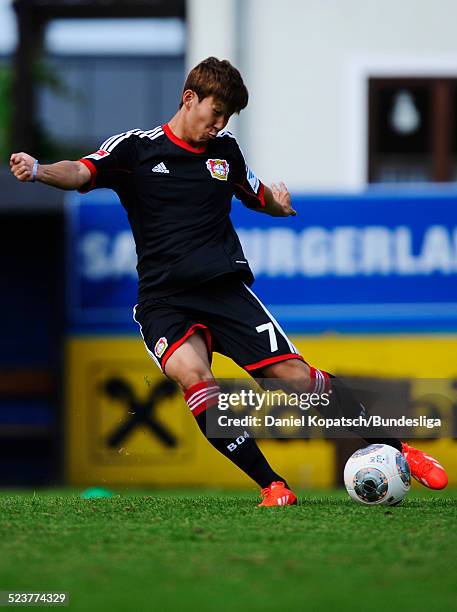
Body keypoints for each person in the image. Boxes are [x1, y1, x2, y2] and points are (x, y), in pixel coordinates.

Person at [10, 57, 448, 505]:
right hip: (165, 301)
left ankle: (400, 449)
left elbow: (257, 195)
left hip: (224, 292)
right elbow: (82, 172)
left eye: (227, 118)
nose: (219, 124)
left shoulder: (225, 152)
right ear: (189, 98)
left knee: (295, 379)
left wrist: (278, 205)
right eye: (215, 113)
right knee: (194, 376)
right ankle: (273, 485)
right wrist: (40, 169)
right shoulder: (135, 150)